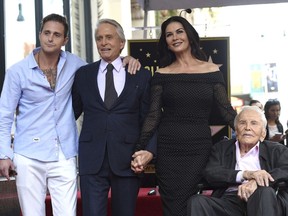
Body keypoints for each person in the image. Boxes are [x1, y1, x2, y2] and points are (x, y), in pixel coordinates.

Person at [0, 13, 140, 216]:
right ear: (40, 35)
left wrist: (126, 59)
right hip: (28, 154)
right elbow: (4, 114)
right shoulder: (17, 72)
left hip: (64, 154)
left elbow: (104, 68)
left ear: (65, 40)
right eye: (46, 33)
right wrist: (4, 154)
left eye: (56, 34)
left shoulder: (77, 66)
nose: (50, 38)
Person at [131, 16, 237, 216]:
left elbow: (226, 112)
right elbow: (153, 116)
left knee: (195, 206)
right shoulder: (161, 75)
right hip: (168, 152)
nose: (175, 37)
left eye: (179, 31)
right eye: (169, 34)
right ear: (166, 42)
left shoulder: (212, 71)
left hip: (200, 150)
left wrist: (249, 126)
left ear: (189, 34)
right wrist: (140, 149)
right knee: (173, 208)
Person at [72, 18, 156, 216]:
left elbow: (150, 119)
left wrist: (149, 151)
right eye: (99, 38)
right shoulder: (83, 75)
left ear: (121, 43)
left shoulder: (140, 75)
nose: (103, 42)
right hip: (92, 161)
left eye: (109, 37)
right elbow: (70, 114)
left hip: (128, 160)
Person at [187, 106, 288, 216]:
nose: (247, 127)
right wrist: (245, 174)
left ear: (263, 133)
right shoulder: (221, 148)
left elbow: (285, 169)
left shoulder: (276, 150)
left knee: (264, 191)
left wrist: (257, 182)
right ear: (236, 129)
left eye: (254, 123)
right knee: (197, 201)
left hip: (262, 199)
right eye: (242, 123)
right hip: (230, 201)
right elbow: (211, 172)